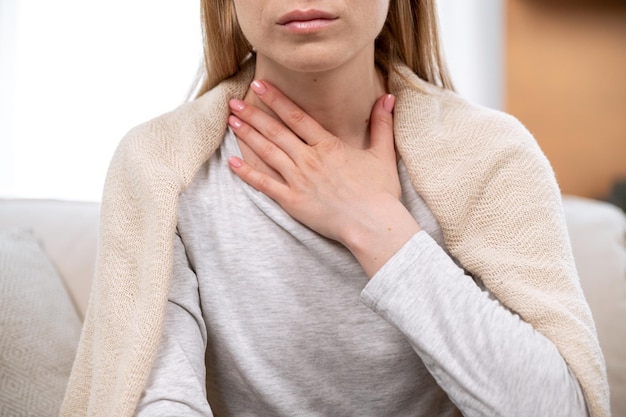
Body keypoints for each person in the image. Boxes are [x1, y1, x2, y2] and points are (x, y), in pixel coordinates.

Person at [61, 0, 610, 416]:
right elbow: (162, 397)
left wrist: (376, 226)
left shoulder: (492, 155)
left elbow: (557, 406)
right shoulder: (160, 167)